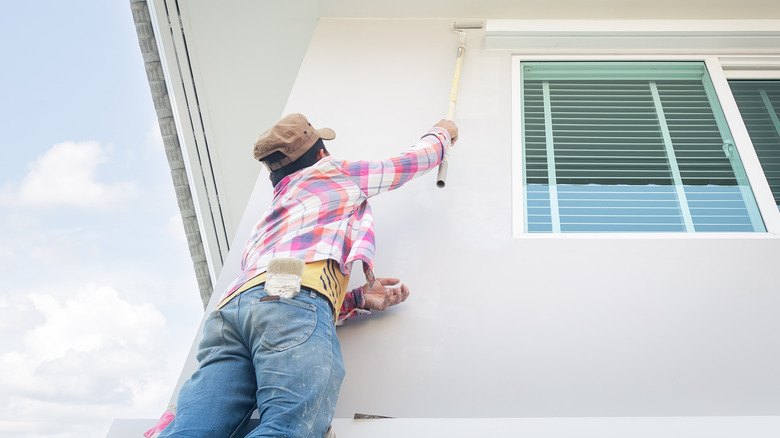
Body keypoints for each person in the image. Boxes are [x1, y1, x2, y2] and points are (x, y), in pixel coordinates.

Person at [156, 113, 458, 437]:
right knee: (290, 427)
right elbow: (405, 164)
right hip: (289, 296)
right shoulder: (332, 173)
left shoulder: (269, 219)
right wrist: (442, 134)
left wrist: (355, 300)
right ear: (319, 154)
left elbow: (272, 296)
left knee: (192, 430)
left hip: (230, 313)